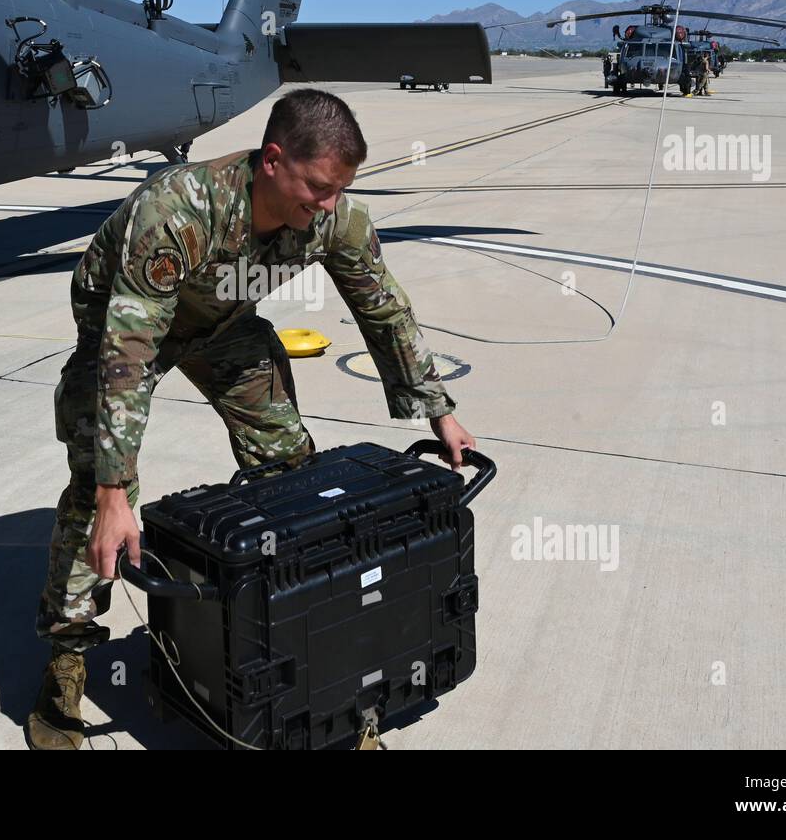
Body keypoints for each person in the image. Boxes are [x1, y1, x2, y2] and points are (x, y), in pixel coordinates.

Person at [27, 89, 476, 749]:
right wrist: (114, 491)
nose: (328, 206)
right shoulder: (178, 212)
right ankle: (66, 658)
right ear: (272, 160)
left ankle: (305, 653)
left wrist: (438, 411)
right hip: (122, 331)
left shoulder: (331, 215)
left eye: (339, 190)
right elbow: (128, 352)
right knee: (94, 492)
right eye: (317, 188)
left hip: (223, 329)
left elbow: (382, 305)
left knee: (293, 472)